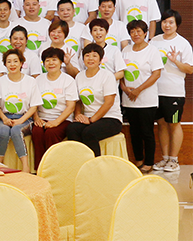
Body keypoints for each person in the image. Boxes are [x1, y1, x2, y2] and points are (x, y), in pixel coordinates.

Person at [150, 10, 193, 172]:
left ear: (177, 25)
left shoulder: (183, 43)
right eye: (164, 22)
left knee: (174, 124)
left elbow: (190, 69)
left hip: (174, 92)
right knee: (161, 124)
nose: (167, 25)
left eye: (171, 22)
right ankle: (165, 158)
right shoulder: (154, 41)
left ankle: (174, 160)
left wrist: (175, 61)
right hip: (155, 91)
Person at [120, 19, 163, 172]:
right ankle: (138, 160)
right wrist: (124, 88)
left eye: (139, 31)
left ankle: (149, 162)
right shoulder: (126, 50)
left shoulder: (152, 50)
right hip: (129, 99)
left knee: (147, 132)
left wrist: (138, 90)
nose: (135, 34)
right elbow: (121, 73)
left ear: (145, 33)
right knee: (134, 132)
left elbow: (156, 74)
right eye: (132, 32)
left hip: (146, 100)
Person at [67, 44, 123, 157]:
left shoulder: (107, 76)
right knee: (72, 129)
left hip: (110, 118)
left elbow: (109, 102)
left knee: (89, 132)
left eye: (94, 56)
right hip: (88, 117)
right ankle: (79, 161)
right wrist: (78, 115)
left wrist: (92, 120)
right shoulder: (79, 76)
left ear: (100, 60)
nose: (90, 59)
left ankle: (95, 164)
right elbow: (78, 101)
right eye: (87, 55)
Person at [31, 47, 79, 171]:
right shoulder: (38, 80)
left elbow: (71, 107)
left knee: (51, 133)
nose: (51, 63)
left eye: (54, 60)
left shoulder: (68, 80)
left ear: (61, 62)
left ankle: (54, 169)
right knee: (37, 132)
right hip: (43, 118)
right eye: (47, 60)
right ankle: (39, 169)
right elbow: (33, 103)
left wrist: (56, 122)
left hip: (63, 119)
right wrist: (36, 118)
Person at [0, 49, 41, 172]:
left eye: (15, 61)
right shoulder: (0, 82)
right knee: (3, 130)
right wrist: (4, 119)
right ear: (5, 64)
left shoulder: (30, 81)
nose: (12, 64)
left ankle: (25, 167)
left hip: (25, 118)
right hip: (5, 117)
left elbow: (34, 106)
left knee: (16, 130)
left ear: (21, 63)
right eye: (9, 61)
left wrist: (20, 120)